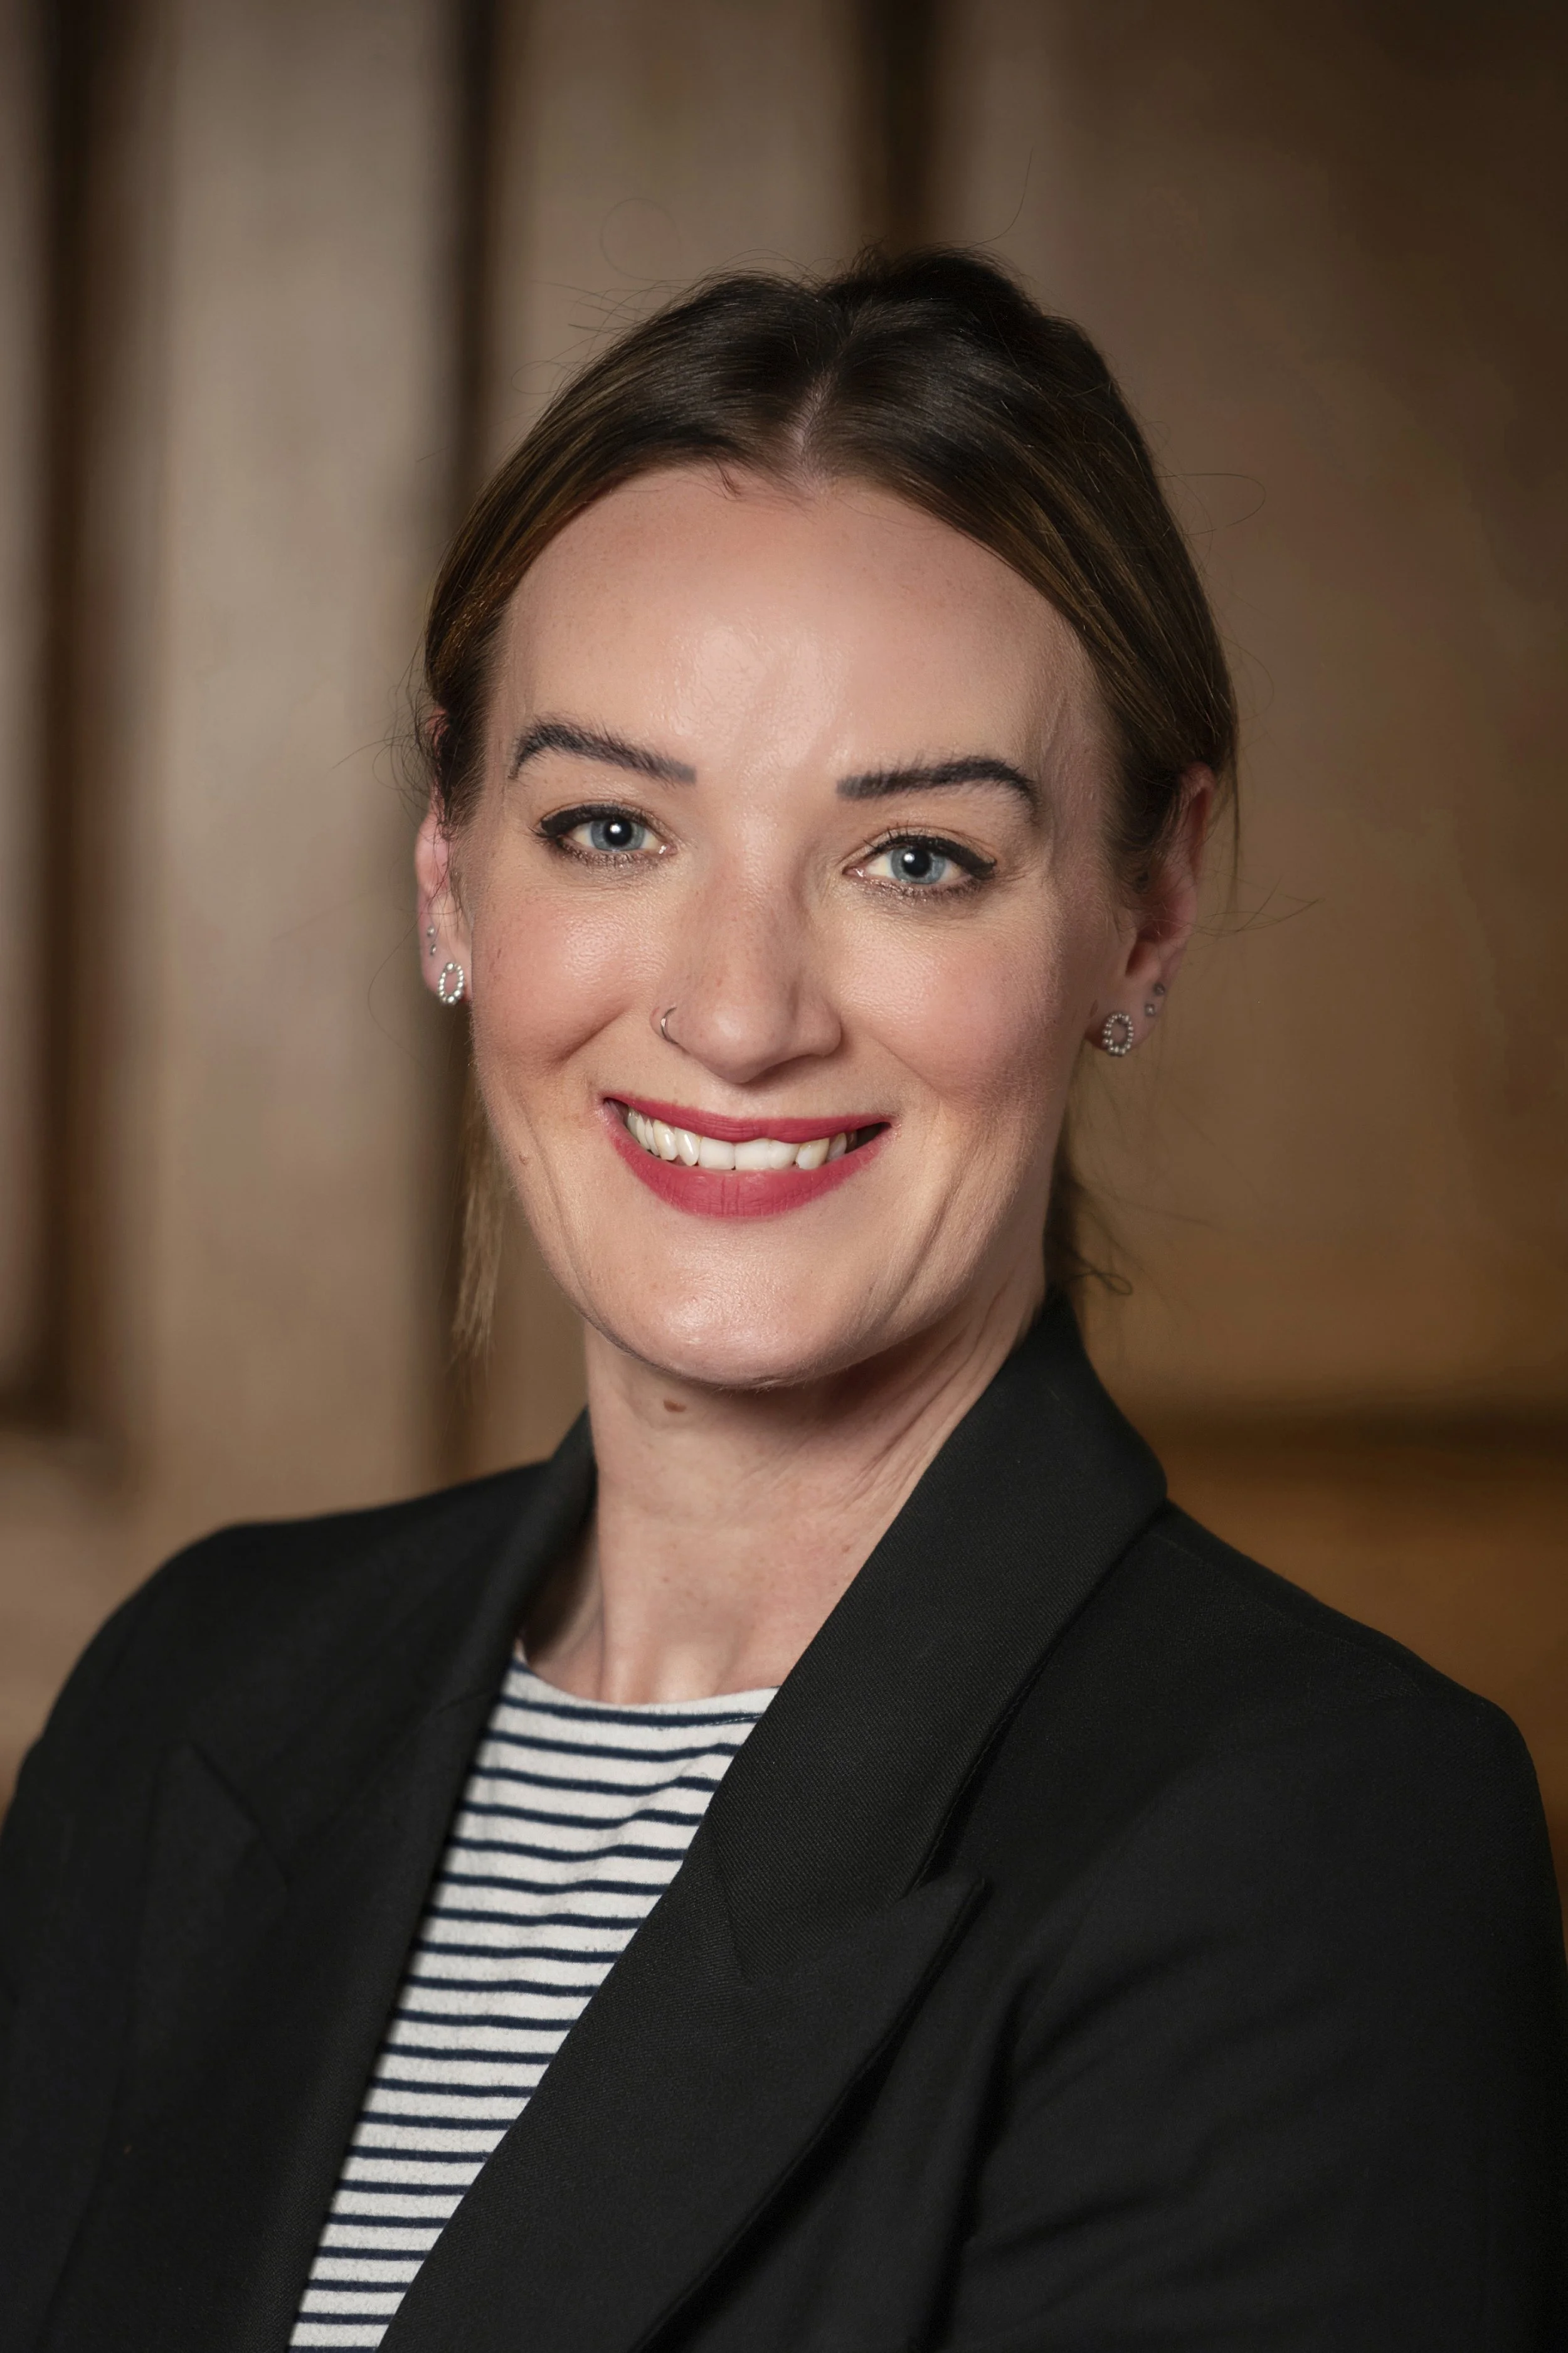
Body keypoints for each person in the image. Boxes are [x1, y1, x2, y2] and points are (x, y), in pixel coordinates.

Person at [1, 250, 1563, 2353]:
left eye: (914, 857)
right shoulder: (192, 1691)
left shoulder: (1315, 1843)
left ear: (1146, 904)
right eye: (609, 826)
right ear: (449, 870)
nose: (738, 1014)